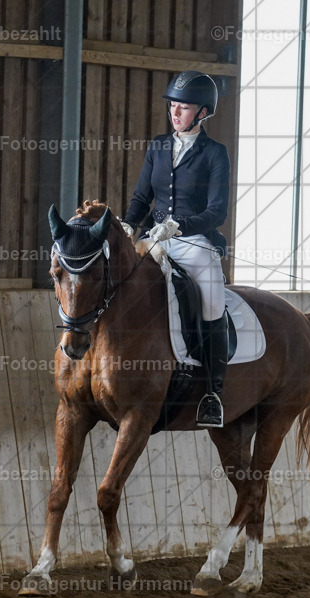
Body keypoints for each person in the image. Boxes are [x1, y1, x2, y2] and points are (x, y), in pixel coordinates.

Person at [122, 70, 230, 428]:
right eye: (173, 107)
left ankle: (213, 394)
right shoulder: (157, 146)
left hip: (195, 243)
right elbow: (141, 197)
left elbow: (217, 211)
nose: (175, 113)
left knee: (213, 300)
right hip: (154, 238)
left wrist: (181, 225)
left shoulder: (215, 154)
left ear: (202, 113)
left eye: (184, 108)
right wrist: (127, 224)